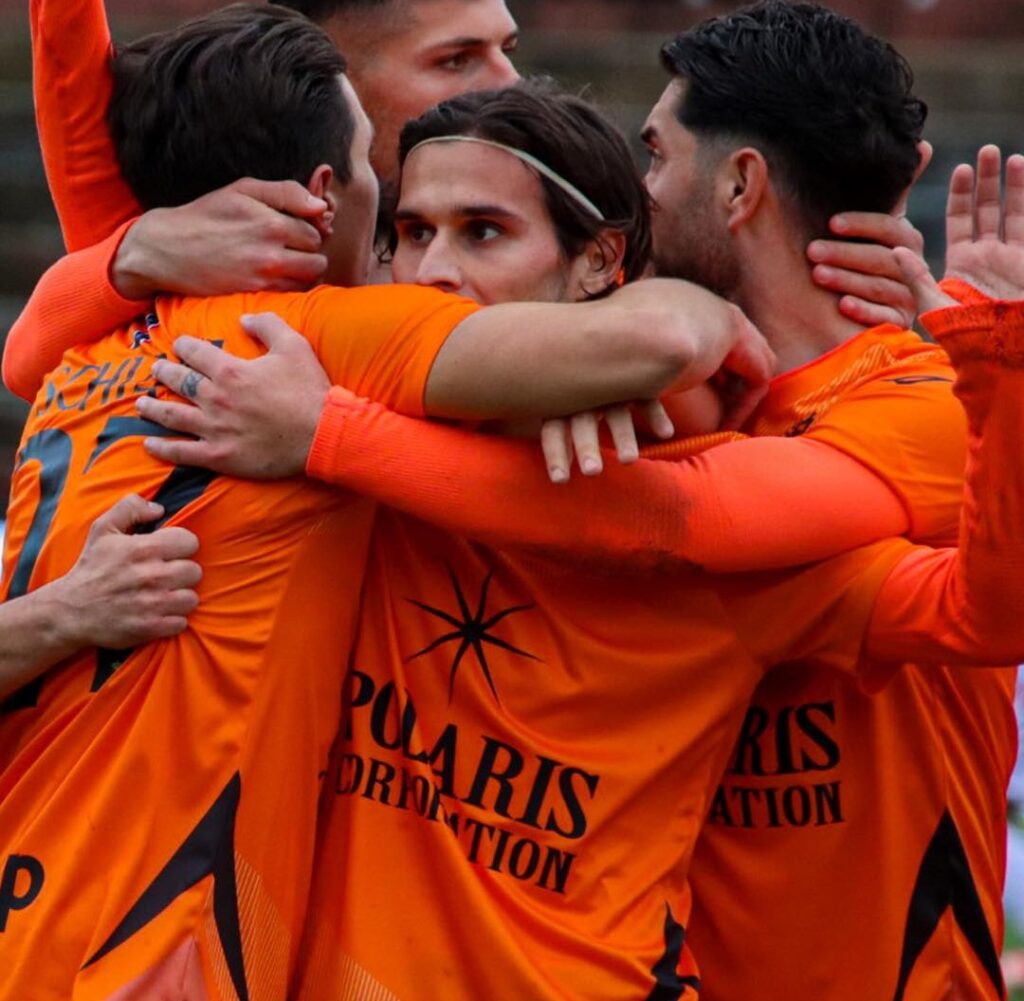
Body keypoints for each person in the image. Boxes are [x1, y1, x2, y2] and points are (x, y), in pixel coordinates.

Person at [90, 6, 1017, 998]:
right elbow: (68, 328)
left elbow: (682, 520)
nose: (433, 270)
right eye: (410, 232)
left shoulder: (864, 425)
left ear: (734, 189)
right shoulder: (362, 402)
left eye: (655, 155)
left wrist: (999, 366)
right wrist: (128, 252)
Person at [0, 7, 765, 1000]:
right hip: (147, 946)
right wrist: (706, 322)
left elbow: (35, 310)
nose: (503, 78)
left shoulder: (76, 357)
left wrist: (126, 253)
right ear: (326, 190)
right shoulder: (317, 340)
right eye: (456, 58)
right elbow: (661, 344)